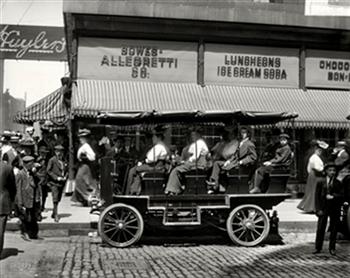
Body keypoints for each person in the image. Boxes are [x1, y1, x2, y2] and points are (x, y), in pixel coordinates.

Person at [165, 128, 209, 195]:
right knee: (176, 168)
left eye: (194, 135)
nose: (192, 137)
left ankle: (173, 190)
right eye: (192, 135)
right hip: (193, 163)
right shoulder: (194, 144)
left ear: (198, 135)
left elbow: (195, 156)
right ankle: (175, 188)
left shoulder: (200, 143)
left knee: (176, 170)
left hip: (197, 164)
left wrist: (186, 162)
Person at [313, 163, 344, 255]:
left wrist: (334, 196)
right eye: (330, 170)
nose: (332, 172)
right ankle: (318, 247)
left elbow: (342, 195)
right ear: (326, 171)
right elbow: (316, 197)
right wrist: (318, 209)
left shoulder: (338, 183)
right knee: (320, 228)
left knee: (334, 228)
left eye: (334, 171)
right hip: (323, 208)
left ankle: (332, 248)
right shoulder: (320, 182)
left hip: (334, 208)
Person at [126, 128, 169, 195]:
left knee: (132, 170)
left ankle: (129, 192)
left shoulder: (159, 146)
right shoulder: (160, 146)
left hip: (155, 167)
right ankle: (135, 190)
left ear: (158, 137)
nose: (153, 138)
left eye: (154, 137)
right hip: (154, 166)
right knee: (137, 171)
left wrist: (144, 160)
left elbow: (151, 159)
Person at [298, 140, 328, 213]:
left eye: (320, 151)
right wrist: (324, 169)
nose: (320, 152)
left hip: (313, 174)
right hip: (315, 174)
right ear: (315, 150)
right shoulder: (314, 157)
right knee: (314, 190)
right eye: (319, 150)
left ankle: (311, 206)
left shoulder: (315, 157)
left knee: (312, 190)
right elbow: (317, 167)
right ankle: (312, 207)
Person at [206, 127, 239, 193]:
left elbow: (228, 153)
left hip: (230, 161)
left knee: (216, 164)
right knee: (211, 166)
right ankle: (215, 186)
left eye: (230, 134)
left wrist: (226, 158)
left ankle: (214, 184)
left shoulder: (235, 142)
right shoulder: (223, 143)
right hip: (221, 160)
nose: (229, 135)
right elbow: (214, 150)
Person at [16, 156, 41, 240]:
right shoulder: (20, 174)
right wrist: (19, 202)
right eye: (31, 164)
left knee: (33, 216)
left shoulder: (33, 173)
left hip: (33, 198)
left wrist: (35, 173)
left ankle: (33, 233)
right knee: (25, 217)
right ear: (26, 164)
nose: (32, 165)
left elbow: (38, 181)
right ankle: (24, 232)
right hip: (25, 198)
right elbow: (18, 189)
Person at [71, 129, 97, 206]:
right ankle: (80, 199)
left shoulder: (86, 146)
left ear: (86, 138)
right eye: (80, 138)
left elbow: (93, 157)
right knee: (81, 181)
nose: (80, 139)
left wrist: (85, 157)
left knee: (80, 181)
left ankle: (88, 197)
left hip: (85, 166)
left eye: (82, 138)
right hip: (82, 165)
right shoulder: (83, 146)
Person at [0, 160, 16, 257]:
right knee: (0, 229)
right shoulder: (7, 167)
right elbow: (12, 187)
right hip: (2, 203)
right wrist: (12, 201)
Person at [47, 145, 67, 222]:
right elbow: (48, 171)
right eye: (58, 151)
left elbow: (66, 170)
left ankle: (54, 212)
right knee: (55, 198)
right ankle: (56, 215)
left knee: (58, 198)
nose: (59, 153)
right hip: (54, 182)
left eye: (61, 152)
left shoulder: (64, 160)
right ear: (55, 152)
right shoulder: (52, 160)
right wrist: (56, 177)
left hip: (61, 182)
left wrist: (65, 177)